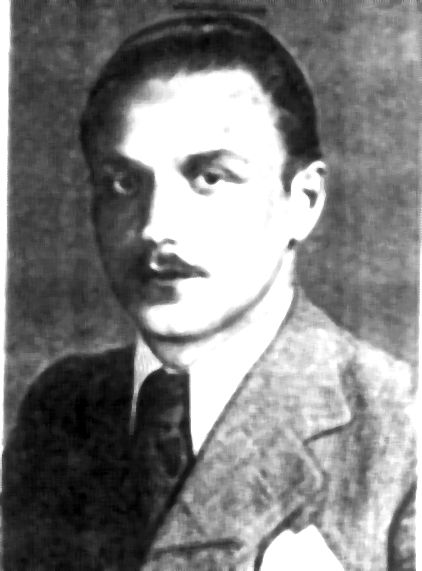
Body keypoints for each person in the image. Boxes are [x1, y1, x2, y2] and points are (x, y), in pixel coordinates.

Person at [3, 12, 415, 571]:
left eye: (210, 178)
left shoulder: (400, 429)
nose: (155, 227)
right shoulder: (63, 407)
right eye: (123, 183)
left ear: (304, 201)